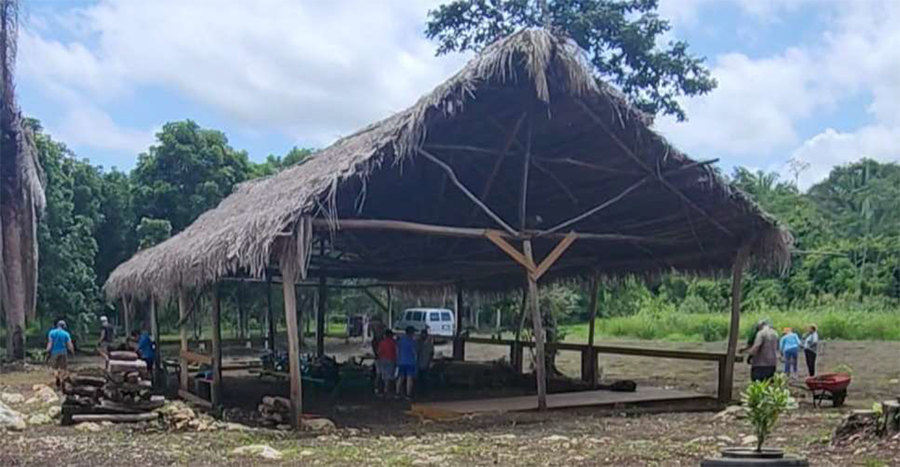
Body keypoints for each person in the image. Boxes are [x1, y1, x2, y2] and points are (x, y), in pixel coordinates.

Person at [47, 320, 74, 388]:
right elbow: (69, 344)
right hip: (63, 352)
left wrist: (48, 351)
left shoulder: (51, 333)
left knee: (54, 368)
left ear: (57, 325)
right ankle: (62, 381)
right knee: (63, 368)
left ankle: (57, 377)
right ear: (64, 326)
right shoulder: (66, 334)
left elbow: (50, 343)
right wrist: (72, 351)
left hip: (54, 352)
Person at [396, 326, 418, 400]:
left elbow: (397, 350)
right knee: (409, 378)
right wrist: (416, 361)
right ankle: (408, 394)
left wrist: (398, 359)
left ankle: (397, 393)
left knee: (400, 377)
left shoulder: (401, 340)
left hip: (401, 361)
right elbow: (415, 353)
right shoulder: (412, 342)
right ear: (411, 333)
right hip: (410, 362)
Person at [375, 329, 397, 397]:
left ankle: (382, 389)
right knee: (390, 376)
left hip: (382, 360)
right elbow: (396, 351)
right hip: (391, 360)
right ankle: (387, 390)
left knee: (383, 376)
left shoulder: (382, 342)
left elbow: (379, 352)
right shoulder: (393, 342)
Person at [417, 327, 435, 396]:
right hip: (420, 363)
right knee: (420, 378)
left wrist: (430, 361)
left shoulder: (429, 343)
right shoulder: (419, 342)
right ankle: (421, 391)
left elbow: (431, 353)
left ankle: (425, 392)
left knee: (426, 378)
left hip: (426, 362)